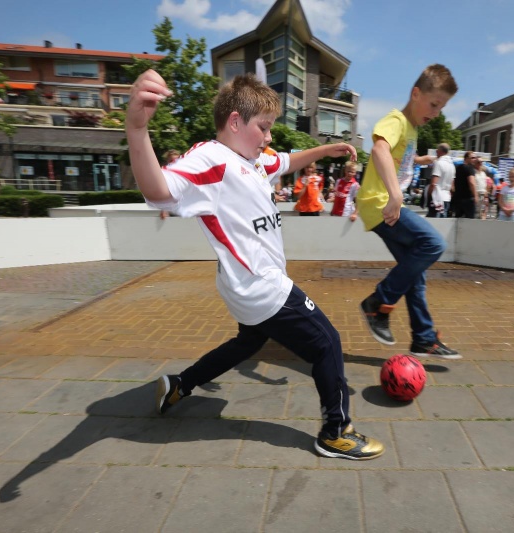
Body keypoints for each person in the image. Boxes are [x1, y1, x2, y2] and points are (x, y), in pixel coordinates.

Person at [125, 70, 383, 460]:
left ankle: (180, 383)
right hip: (261, 287)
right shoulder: (212, 159)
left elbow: (286, 161)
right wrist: (136, 128)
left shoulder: (254, 158)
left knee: (249, 341)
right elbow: (158, 189)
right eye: (264, 127)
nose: (269, 137)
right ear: (234, 122)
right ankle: (336, 432)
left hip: (240, 285)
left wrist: (323, 151)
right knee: (328, 342)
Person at [356, 64, 461, 359]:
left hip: (383, 205)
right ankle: (379, 302)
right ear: (416, 94)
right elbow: (379, 150)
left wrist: (420, 160)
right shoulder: (397, 119)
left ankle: (423, 338)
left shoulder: (411, 129)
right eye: (434, 104)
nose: (436, 112)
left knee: (415, 274)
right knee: (433, 244)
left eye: (442, 108)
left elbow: (400, 157)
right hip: (382, 203)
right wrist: (395, 193)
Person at [430, 143, 455, 217]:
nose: (436, 153)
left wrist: (428, 195)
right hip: (447, 198)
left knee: (434, 223)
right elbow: (452, 186)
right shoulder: (452, 166)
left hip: (437, 198)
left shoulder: (439, 163)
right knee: (443, 223)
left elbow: (433, 183)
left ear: (440, 151)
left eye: (437, 151)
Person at [452, 151, 478, 218]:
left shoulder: (458, 168)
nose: (475, 159)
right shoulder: (470, 168)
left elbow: (454, 181)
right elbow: (471, 182)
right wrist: (475, 195)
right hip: (468, 199)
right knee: (470, 221)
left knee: (458, 219)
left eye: (475, 158)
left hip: (458, 198)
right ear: (466, 158)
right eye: (472, 158)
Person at [159, 149, 181, 219]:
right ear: (168, 161)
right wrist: (164, 210)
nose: (174, 162)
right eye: (171, 160)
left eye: (176, 160)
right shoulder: (165, 174)